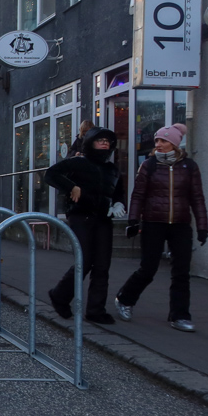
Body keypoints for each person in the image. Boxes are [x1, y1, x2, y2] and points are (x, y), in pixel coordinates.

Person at [115, 124, 208, 332]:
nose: (158, 144)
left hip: (181, 224)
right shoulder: (149, 165)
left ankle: (180, 316)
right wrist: (133, 221)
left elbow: (197, 198)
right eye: (157, 140)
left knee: (181, 272)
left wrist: (203, 226)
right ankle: (125, 299)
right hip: (153, 223)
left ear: (174, 144)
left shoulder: (189, 167)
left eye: (163, 141)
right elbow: (138, 195)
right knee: (148, 269)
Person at [43, 127, 126, 324]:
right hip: (81, 216)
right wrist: (71, 186)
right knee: (85, 260)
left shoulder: (112, 169)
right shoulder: (79, 162)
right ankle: (60, 295)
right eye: (100, 140)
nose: (105, 143)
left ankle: (96, 310)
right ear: (90, 142)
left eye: (108, 140)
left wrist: (118, 203)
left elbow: (118, 192)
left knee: (103, 265)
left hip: (103, 218)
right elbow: (51, 174)